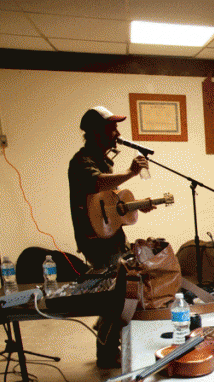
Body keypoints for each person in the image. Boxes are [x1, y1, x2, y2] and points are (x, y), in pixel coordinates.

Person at [68, 105, 153, 368]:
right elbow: (97, 183)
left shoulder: (104, 160)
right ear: (95, 133)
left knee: (124, 290)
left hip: (112, 236)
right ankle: (106, 354)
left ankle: (107, 329)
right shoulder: (81, 162)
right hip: (95, 240)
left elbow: (109, 205)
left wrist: (137, 205)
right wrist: (130, 173)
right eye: (111, 128)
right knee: (117, 295)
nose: (117, 133)